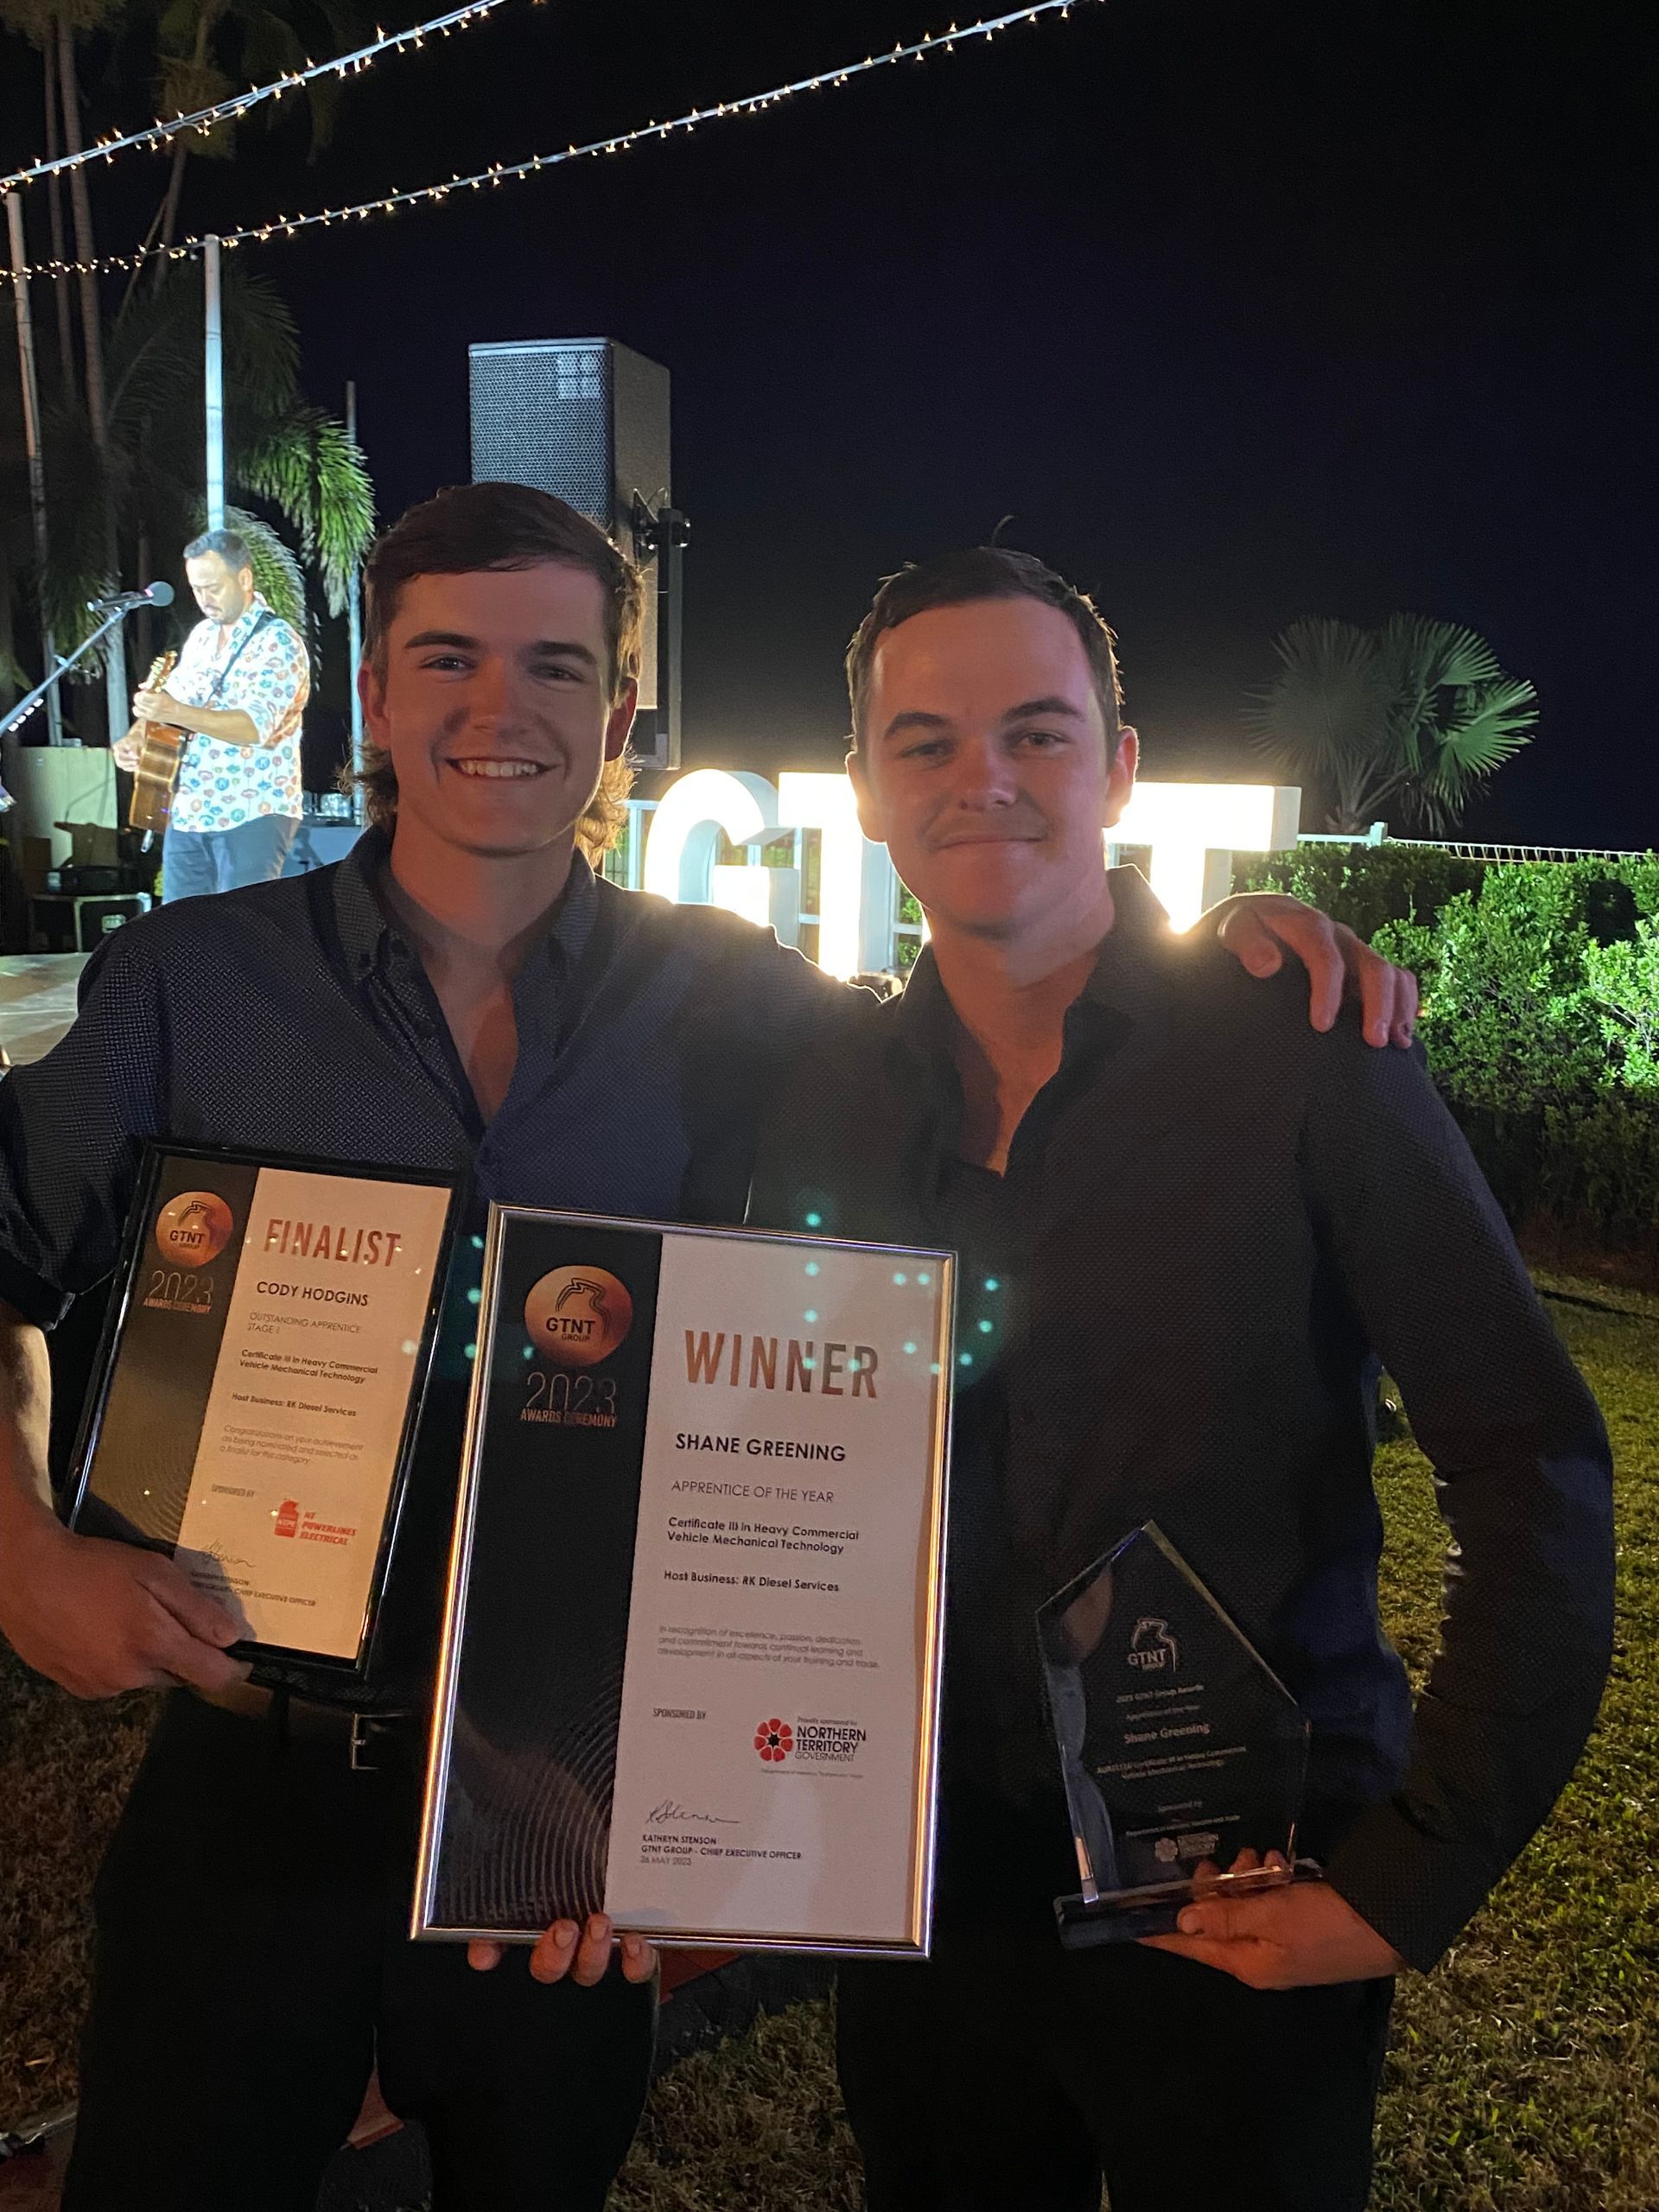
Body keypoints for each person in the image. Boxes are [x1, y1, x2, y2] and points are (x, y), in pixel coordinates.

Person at [0, 485, 1410, 2212]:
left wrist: (1225, 962)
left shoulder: (740, 1002)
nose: (497, 708)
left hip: (575, 1813)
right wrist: (20, 1552)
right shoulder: (190, 985)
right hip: (250, 1780)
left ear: (616, 716)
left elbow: (1001, 1027)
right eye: (447, 656)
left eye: (554, 665)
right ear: (372, 694)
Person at [745, 547, 1616, 2212]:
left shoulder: (1304, 1059)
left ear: (1120, 767)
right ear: (862, 788)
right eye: (922, 741)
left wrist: (1406, 1881)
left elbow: (1534, 1470)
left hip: (1244, 1881)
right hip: (925, 1891)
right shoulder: (827, 1104)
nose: (981, 778)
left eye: (1037, 731)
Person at [113, 527, 311, 899]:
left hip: (254, 809)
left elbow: (254, 727)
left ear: (245, 578)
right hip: (189, 808)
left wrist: (177, 711)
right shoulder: (202, 637)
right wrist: (139, 733)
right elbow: (174, 698)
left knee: (242, 934)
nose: (204, 598)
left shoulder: (278, 641)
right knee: (181, 932)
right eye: (196, 588)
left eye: (213, 587)